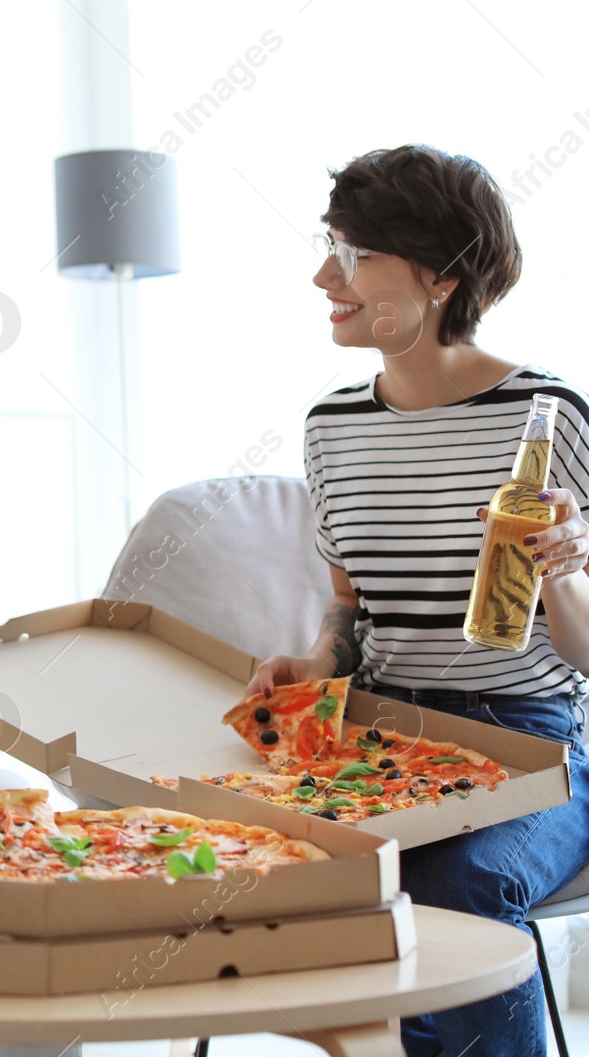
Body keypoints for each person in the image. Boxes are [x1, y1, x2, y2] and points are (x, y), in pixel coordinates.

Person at [247, 145, 589, 1057]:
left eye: (353, 253)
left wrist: (563, 570)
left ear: (439, 276)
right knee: (266, 873)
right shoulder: (332, 428)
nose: (325, 275)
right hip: (389, 739)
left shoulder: (547, 416)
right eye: (330, 247)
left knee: (460, 887)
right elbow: (349, 616)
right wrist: (315, 662)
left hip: (535, 739)